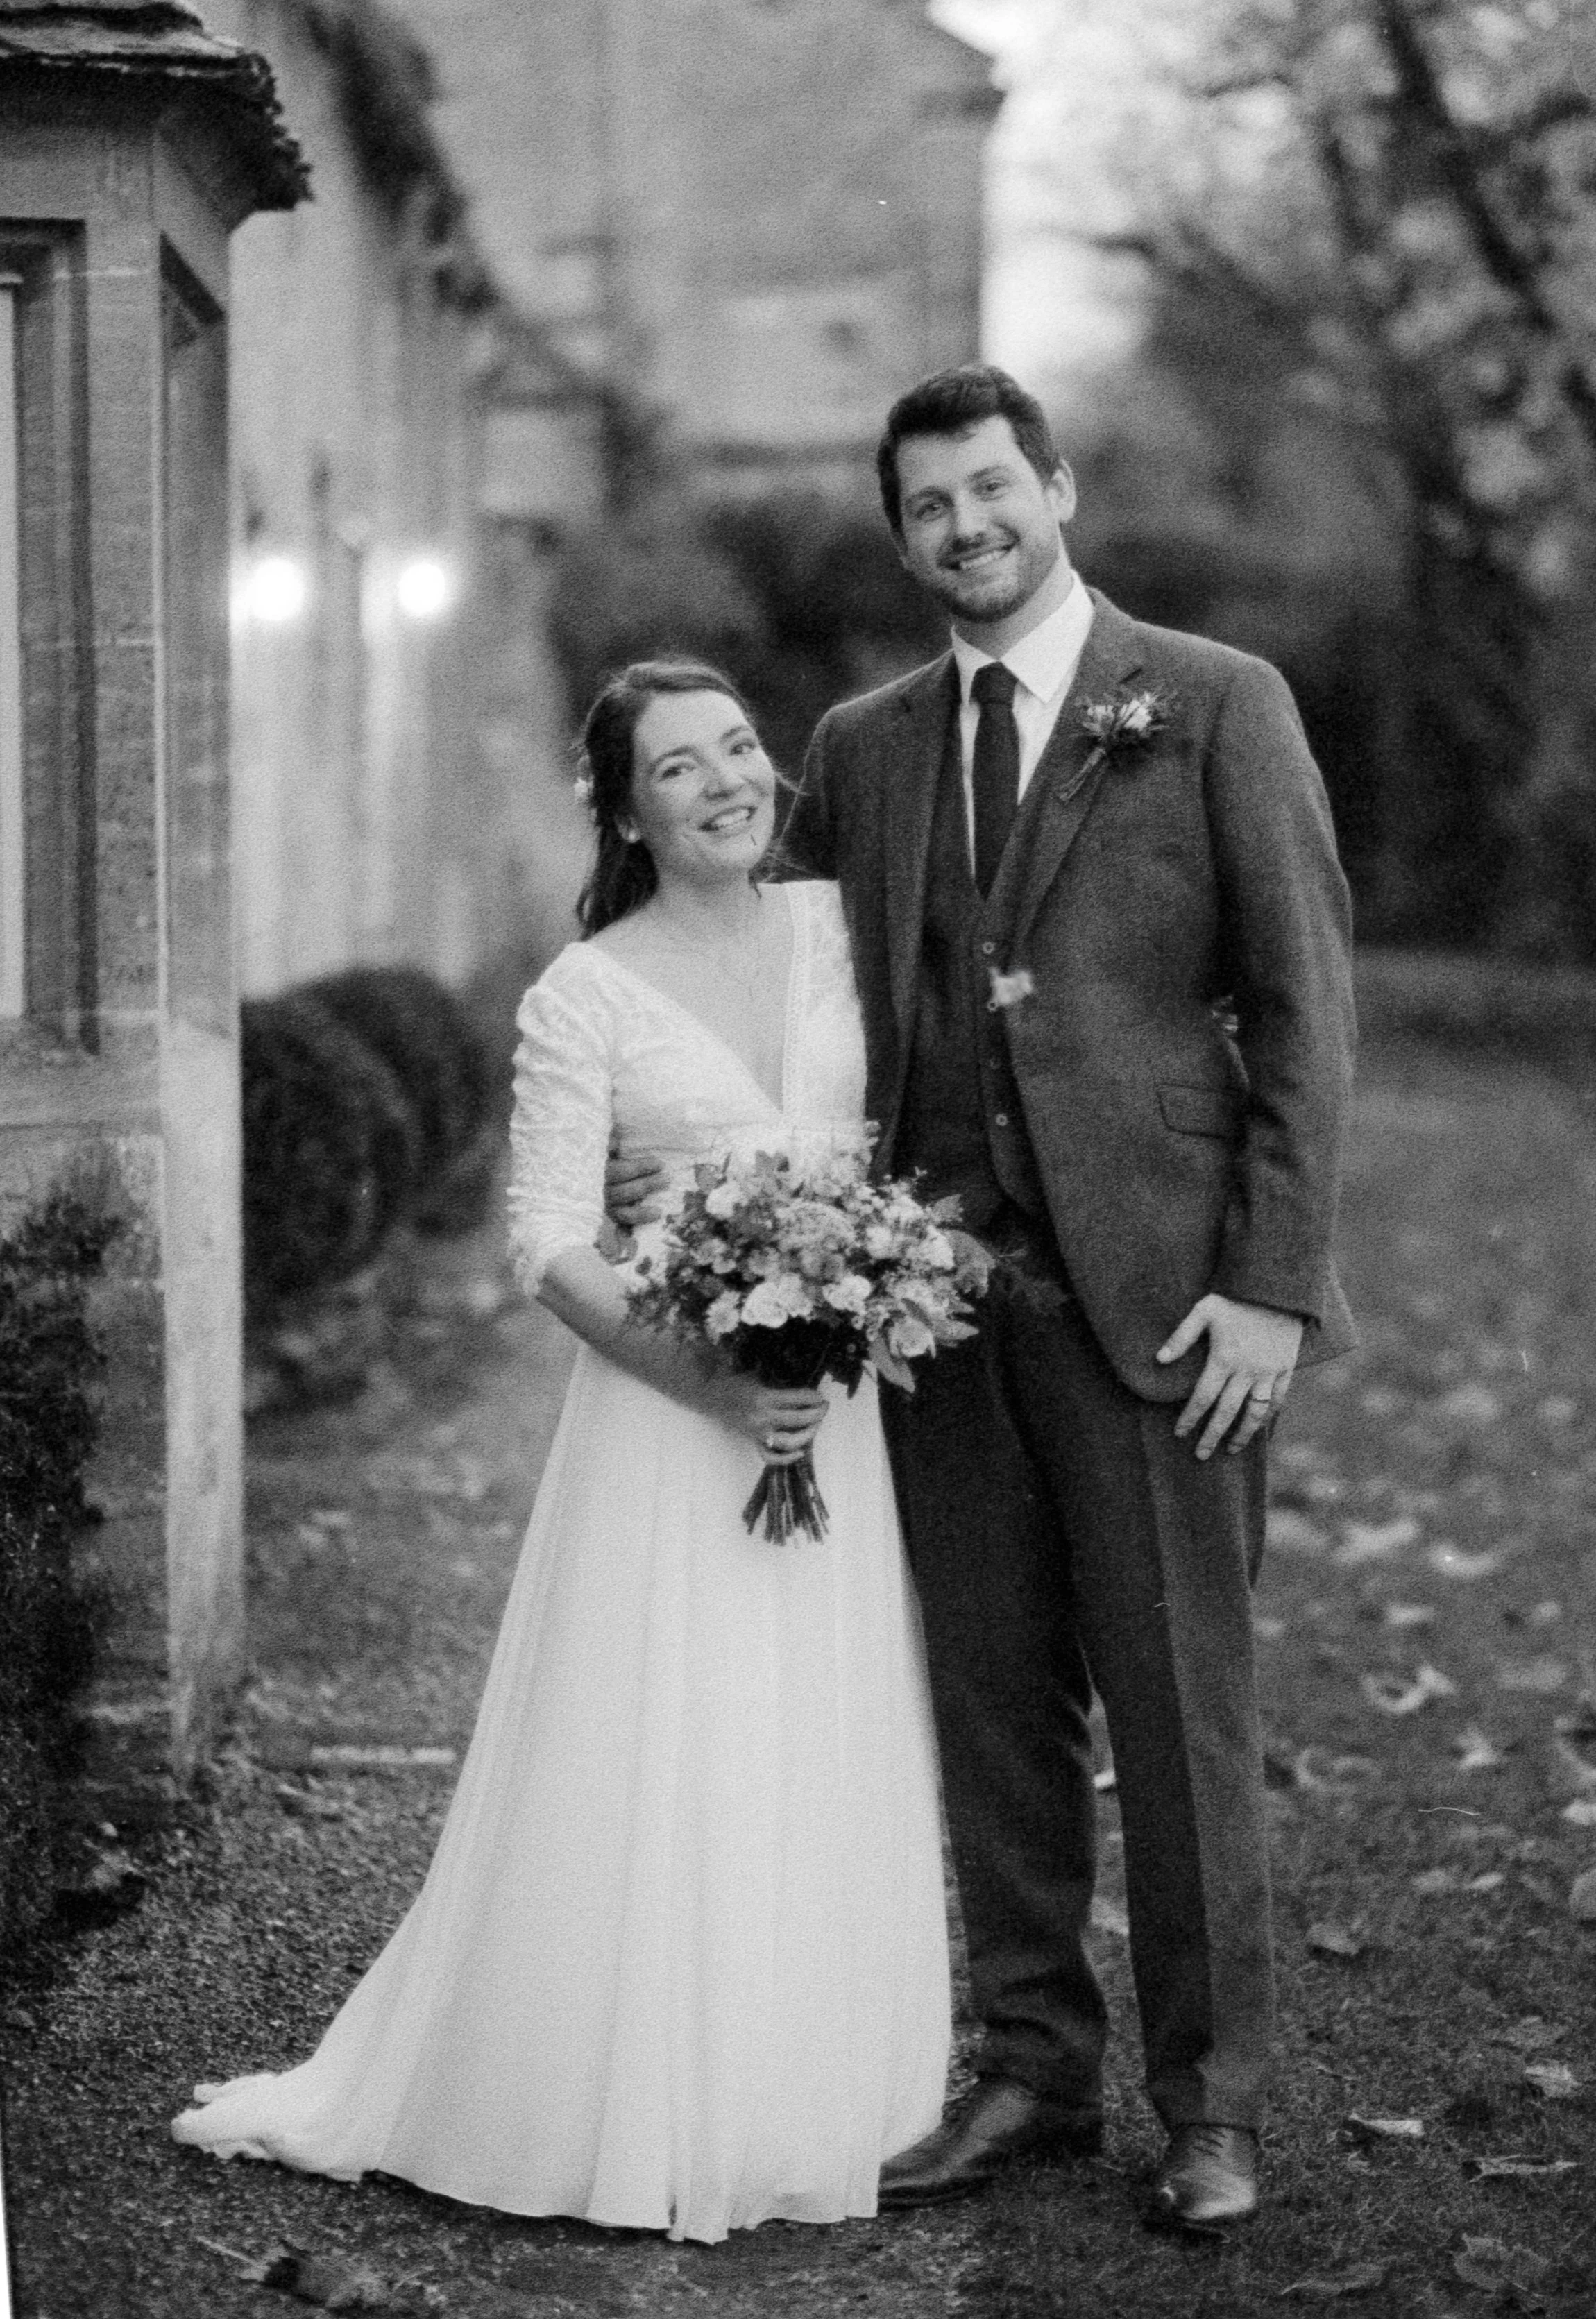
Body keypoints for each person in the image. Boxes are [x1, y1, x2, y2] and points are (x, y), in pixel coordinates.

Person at [609, 367, 1355, 2229]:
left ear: (1056, 487)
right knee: (986, 1702)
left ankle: (1210, 2100)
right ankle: (1027, 2064)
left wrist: (1267, 1283)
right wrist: (652, 1120)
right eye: (928, 504)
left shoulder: (1206, 703)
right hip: (928, 1308)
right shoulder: (859, 744)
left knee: (1179, 1705)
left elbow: (1301, 1004)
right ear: (901, 532)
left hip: (1162, 1304)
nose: (965, 526)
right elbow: (765, 973)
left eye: (991, 488)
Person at [171, 661, 951, 2245]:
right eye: (679, 768)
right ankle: (627, 2094)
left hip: (838, 1419)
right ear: (624, 810)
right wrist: (713, 1382)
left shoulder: (839, 934)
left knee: (820, 1720)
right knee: (673, 1733)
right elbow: (544, 1241)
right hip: (674, 1429)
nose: (727, 780)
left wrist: (865, 1294)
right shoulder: (583, 990)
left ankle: (813, 2085)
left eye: (739, 748)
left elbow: (912, 1136)